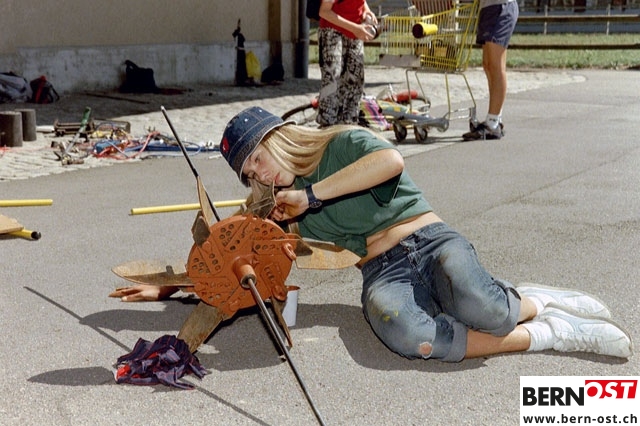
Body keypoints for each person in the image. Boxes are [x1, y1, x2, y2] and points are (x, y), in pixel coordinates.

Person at [111, 106, 633, 361]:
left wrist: (312, 197)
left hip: (431, 240)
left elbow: (391, 162)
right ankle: (549, 335)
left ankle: (535, 301)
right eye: (249, 175)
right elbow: (237, 251)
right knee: (408, 335)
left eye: (258, 160)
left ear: (279, 138)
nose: (259, 176)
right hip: (382, 271)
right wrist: (176, 285)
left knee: (483, 306)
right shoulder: (280, 210)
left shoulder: (341, 142)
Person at [463, 0, 519, 141]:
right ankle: (495, 119)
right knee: (488, 65)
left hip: (501, 7)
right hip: (488, 8)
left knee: (496, 65)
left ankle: (492, 123)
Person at [315, 0, 377, 127]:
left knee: (355, 80)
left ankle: (349, 124)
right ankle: (327, 125)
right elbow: (324, 11)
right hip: (332, 31)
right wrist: (355, 28)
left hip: (355, 31)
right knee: (332, 79)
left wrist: (366, 10)